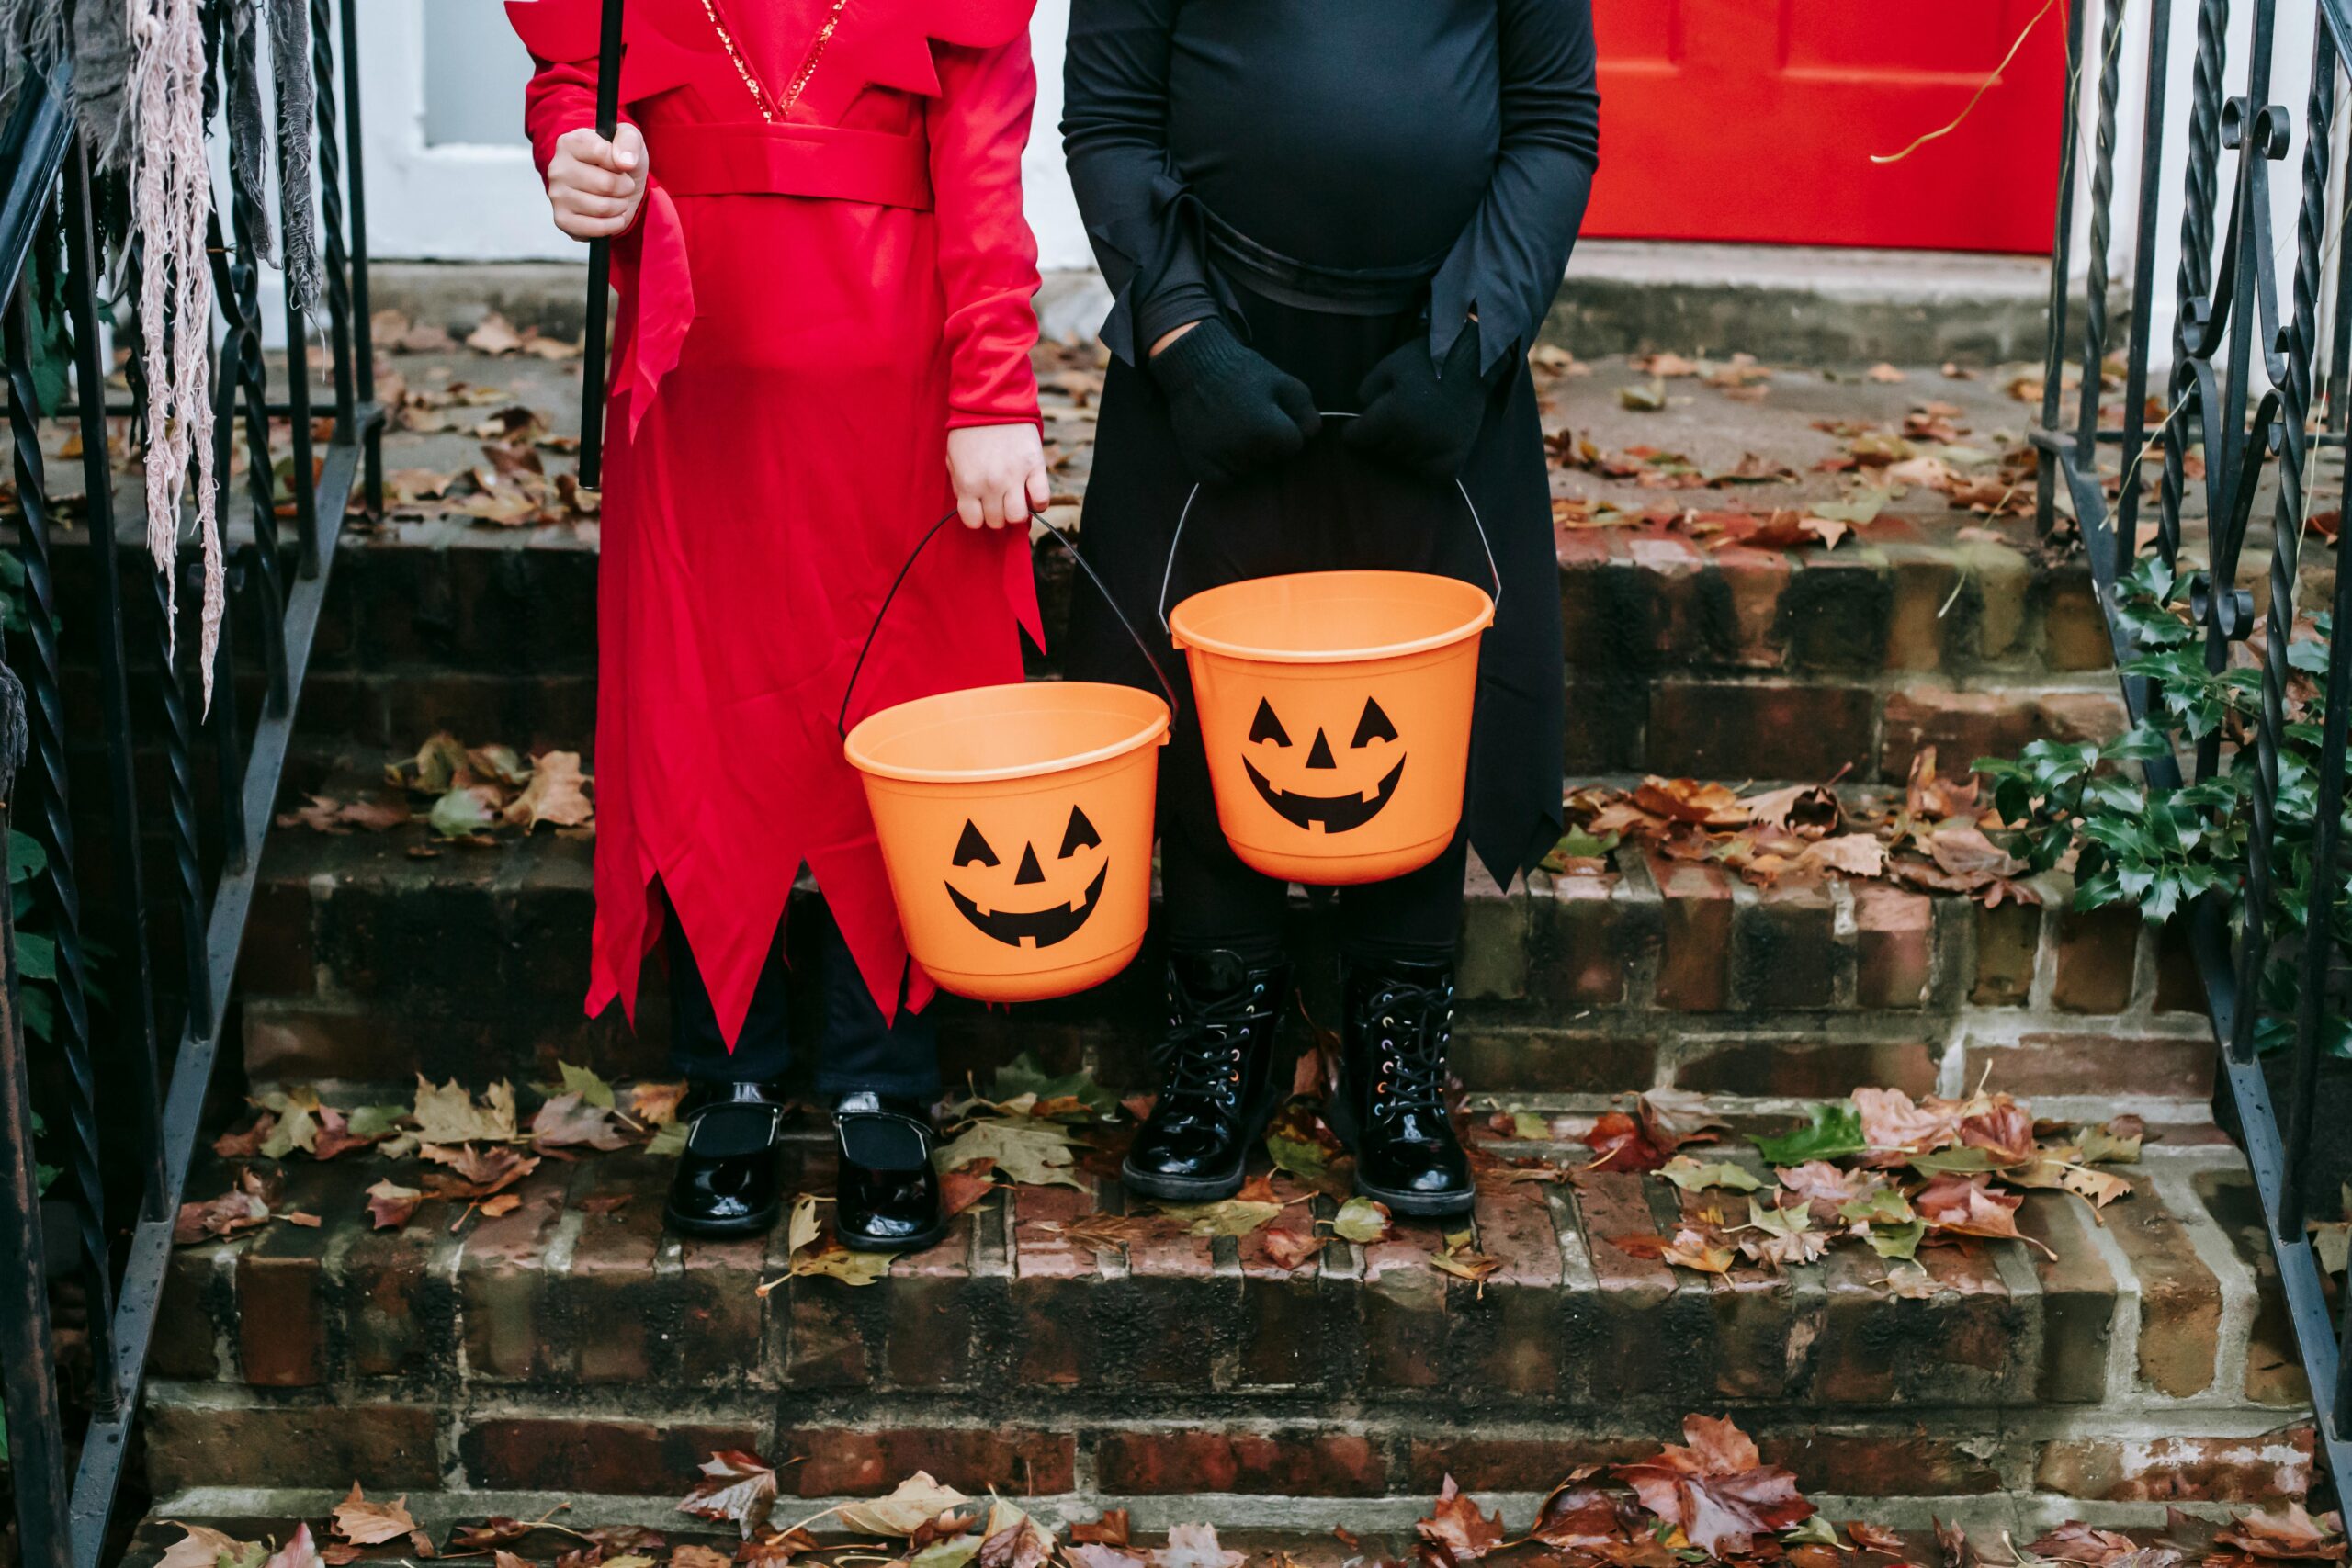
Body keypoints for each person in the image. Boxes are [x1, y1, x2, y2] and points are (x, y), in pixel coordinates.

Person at [508, 0, 1051, 1244]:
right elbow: (574, 79)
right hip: (700, 396)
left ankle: (884, 1080)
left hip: (900, 402)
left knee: (896, 719)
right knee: (704, 713)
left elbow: (981, 174)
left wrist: (993, 392)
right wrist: (577, 155)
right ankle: (730, 1076)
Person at [1061, 0, 1600, 1216]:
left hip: (1434, 352)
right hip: (1216, 339)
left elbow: (1557, 122)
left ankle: (1397, 1063)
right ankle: (1220, 1051)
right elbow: (1108, 118)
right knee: (1195, 688)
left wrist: (1476, 335)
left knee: (1421, 698)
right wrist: (1183, 336)